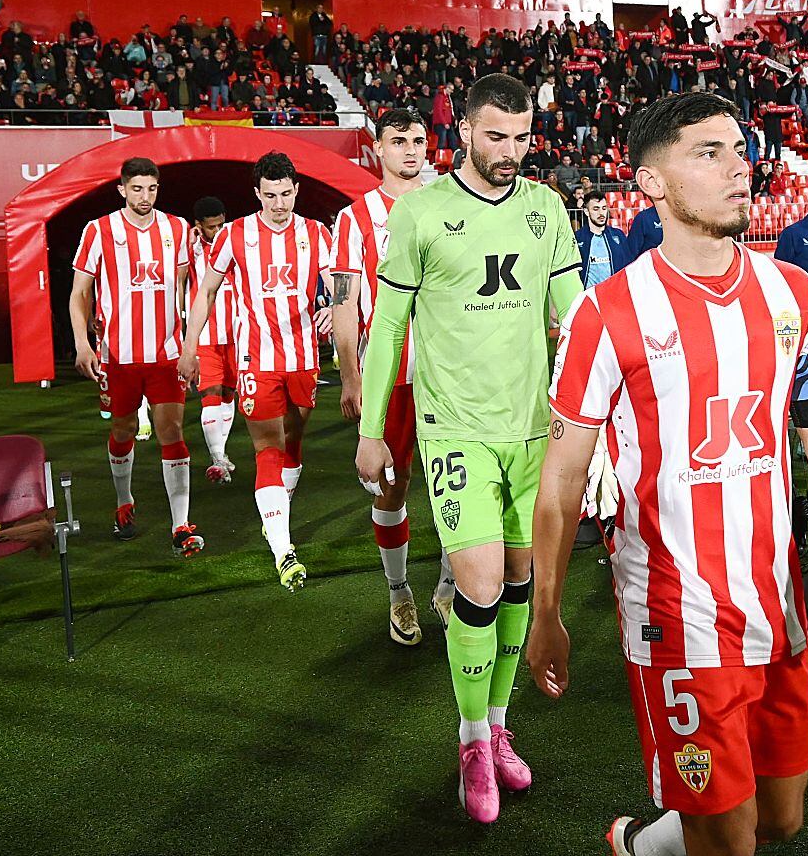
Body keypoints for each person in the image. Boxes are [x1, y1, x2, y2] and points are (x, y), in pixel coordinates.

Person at [530, 92, 808, 856]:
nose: (739, 166)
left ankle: (642, 847)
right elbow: (562, 477)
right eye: (708, 152)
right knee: (729, 841)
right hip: (676, 615)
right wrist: (547, 607)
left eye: (739, 149)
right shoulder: (606, 313)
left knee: (781, 819)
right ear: (651, 183)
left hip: (779, 603)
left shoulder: (793, 294)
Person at [353, 74, 582, 824]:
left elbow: (573, 317)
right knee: (479, 584)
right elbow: (388, 326)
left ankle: (501, 721)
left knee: (519, 578)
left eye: (521, 138)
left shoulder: (547, 208)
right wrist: (368, 431)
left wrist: (600, 411)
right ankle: (471, 739)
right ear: (464, 132)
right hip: (454, 429)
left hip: (531, 430)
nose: (510, 151)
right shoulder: (421, 212)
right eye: (495, 137)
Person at [330, 108, 455, 643]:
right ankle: (399, 592)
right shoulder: (355, 219)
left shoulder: (449, 209)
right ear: (378, 149)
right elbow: (343, 302)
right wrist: (352, 377)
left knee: (456, 485)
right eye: (398, 140)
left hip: (448, 375)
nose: (410, 150)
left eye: (418, 140)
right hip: (391, 379)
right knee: (393, 486)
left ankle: (449, 587)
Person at [181, 152, 333, 592]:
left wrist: (332, 306)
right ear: (256, 194)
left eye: (286, 194)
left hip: (304, 359)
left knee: (294, 443)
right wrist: (189, 347)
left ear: (296, 190)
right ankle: (283, 549)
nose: (279, 204)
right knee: (268, 448)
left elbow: (341, 282)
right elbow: (207, 291)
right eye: (270, 196)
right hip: (257, 359)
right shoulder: (234, 234)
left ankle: (275, 518)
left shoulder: (316, 234)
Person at [68, 158, 200, 556]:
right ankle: (124, 500)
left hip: (166, 355)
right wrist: (81, 344)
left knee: (171, 432)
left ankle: (181, 526)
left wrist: (190, 348)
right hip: (116, 356)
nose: (145, 196)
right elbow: (79, 294)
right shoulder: (99, 230)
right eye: (137, 188)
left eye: (152, 189)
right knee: (124, 430)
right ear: (122, 189)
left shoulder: (176, 229)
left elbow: (187, 290)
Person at [184, 196, 238, 483]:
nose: (216, 231)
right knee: (210, 394)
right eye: (210, 227)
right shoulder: (191, 249)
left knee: (229, 394)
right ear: (199, 227)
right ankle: (217, 458)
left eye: (220, 224)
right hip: (206, 334)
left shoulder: (236, 241)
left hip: (238, 334)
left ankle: (221, 452)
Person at [575, 190, 632, 288]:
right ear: (586, 211)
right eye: (596, 209)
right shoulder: (577, 239)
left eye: (604, 208)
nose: (601, 213)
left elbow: (629, 265)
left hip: (615, 295)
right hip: (590, 298)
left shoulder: (618, 235)